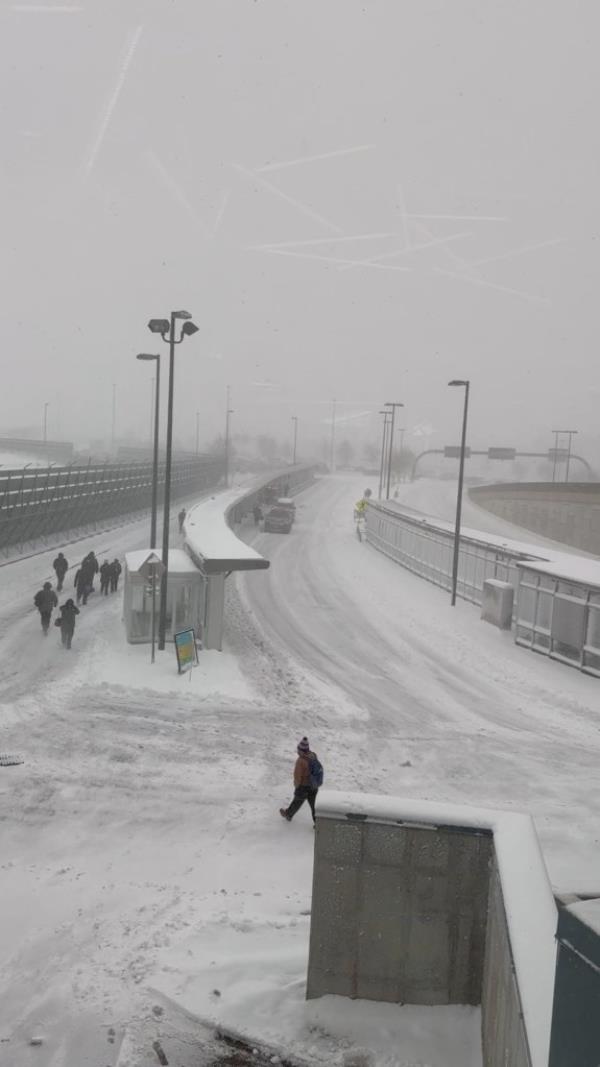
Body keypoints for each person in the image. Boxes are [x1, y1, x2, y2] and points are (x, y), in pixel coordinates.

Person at [280, 737, 323, 827]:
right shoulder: (313, 755)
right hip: (313, 786)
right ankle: (318, 823)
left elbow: (297, 776)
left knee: (297, 801)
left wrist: (297, 785)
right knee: (314, 805)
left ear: (300, 750)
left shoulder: (300, 761)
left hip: (303, 786)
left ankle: (288, 814)